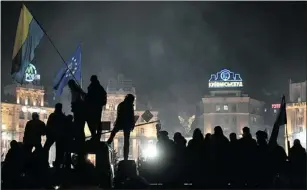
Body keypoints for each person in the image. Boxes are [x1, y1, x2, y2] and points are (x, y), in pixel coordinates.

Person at [107, 94, 135, 161]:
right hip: (126, 124)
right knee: (126, 141)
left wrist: (117, 124)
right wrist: (132, 125)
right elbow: (131, 116)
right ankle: (126, 158)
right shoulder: (129, 106)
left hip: (121, 123)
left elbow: (119, 115)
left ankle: (108, 142)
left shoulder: (121, 105)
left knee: (114, 133)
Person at [44, 103, 67, 168]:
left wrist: (47, 133)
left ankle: (45, 163)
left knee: (46, 148)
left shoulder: (53, 115)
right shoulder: (63, 116)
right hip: (60, 136)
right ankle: (58, 165)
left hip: (52, 135)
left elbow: (48, 125)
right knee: (59, 151)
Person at [85, 75, 107, 141]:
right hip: (95, 107)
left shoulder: (95, 87)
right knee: (95, 121)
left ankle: (95, 135)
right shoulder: (98, 87)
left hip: (94, 107)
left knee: (93, 121)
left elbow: (89, 97)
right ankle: (95, 135)